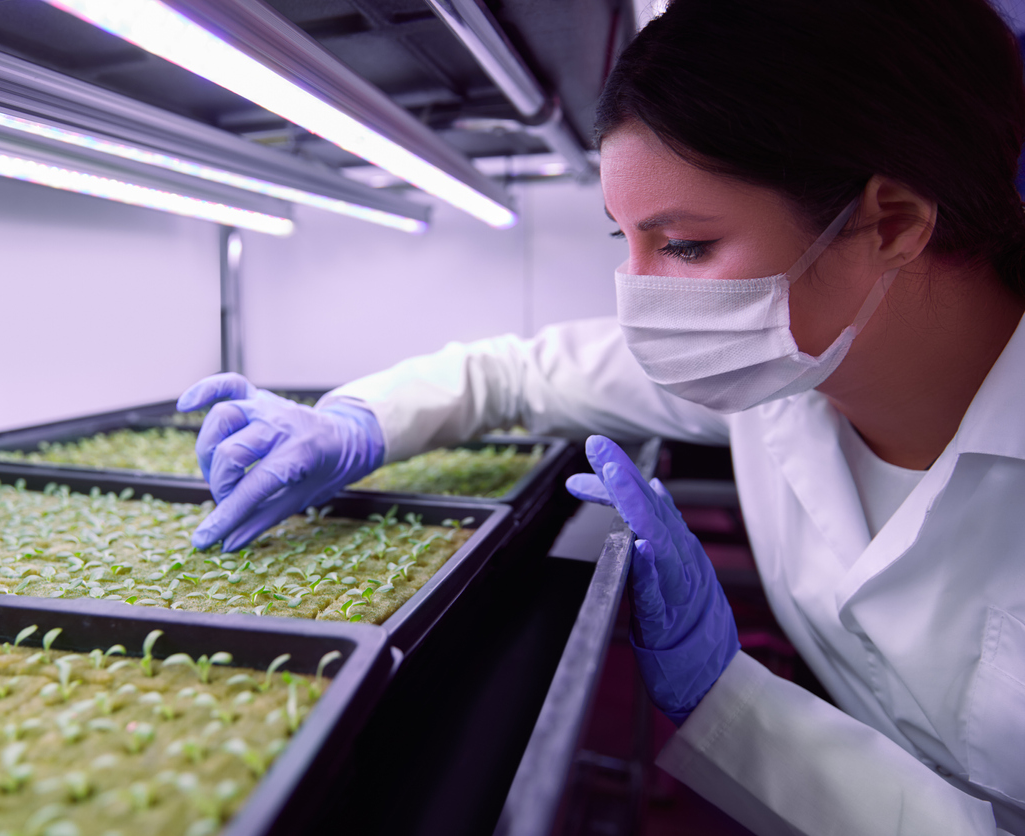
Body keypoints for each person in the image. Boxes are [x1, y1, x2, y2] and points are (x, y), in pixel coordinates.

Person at [176, 0, 1025, 832]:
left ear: (894, 222)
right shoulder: (787, 373)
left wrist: (727, 699)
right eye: (624, 238)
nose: (640, 300)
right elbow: (513, 375)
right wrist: (355, 419)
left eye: (686, 246)